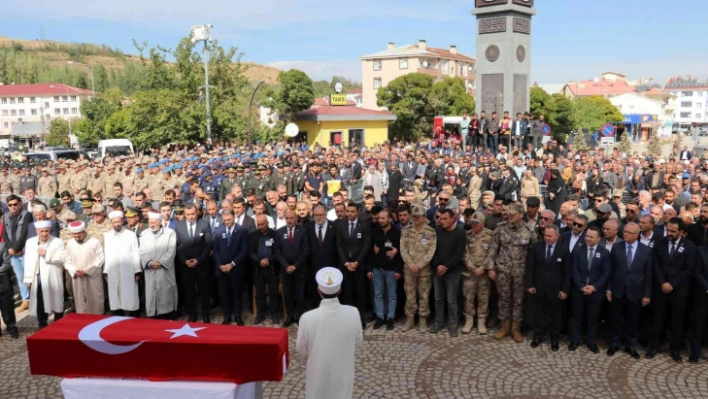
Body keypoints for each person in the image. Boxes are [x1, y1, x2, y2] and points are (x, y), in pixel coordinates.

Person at [296, 267, 362, 399]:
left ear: (319, 290)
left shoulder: (308, 318)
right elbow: (357, 343)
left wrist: (313, 361)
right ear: (340, 290)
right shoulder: (353, 313)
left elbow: (301, 349)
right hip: (343, 371)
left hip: (317, 373)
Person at [487, 203, 537, 343]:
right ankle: (504, 326)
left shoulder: (529, 231)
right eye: (509, 213)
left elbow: (533, 254)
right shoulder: (501, 229)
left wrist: (531, 273)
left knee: (518, 300)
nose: (510, 216)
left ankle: (515, 328)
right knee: (503, 299)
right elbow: (493, 249)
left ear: (521, 215)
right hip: (503, 270)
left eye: (513, 214)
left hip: (520, 272)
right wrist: (490, 268)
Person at [646, 218, 695, 363]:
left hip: (678, 291)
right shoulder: (659, 243)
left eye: (673, 231)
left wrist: (672, 284)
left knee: (677, 322)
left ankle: (675, 349)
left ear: (681, 232)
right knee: (657, 319)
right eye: (668, 230)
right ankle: (653, 346)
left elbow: (688, 269)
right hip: (661, 289)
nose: (669, 233)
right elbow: (655, 264)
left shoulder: (689, 246)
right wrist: (662, 283)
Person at [607, 223, 652, 359]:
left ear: (636, 235)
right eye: (624, 231)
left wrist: (647, 294)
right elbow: (611, 270)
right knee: (616, 318)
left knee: (633, 320)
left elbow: (648, 274)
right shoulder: (616, 247)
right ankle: (614, 343)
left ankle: (630, 345)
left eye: (629, 232)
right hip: (618, 289)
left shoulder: (646, 250)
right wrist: (608, 288)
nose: (625, 234)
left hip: (636, 291)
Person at [526, 225, 571, 351]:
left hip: (556, 289)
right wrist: (529, 284)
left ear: (557, 236)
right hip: (539, 287)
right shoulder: (537, 247)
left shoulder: (563, 249)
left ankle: (554, 338)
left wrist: (564, 289)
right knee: (539, 313)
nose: (547, 238)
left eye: (550, 236)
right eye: (546, 235)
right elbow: (530, 268)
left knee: (556, 315)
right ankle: (538, 336)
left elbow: (567, 272)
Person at [569, 226, 610, 353]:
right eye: (587, 236)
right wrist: (581, 286)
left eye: (591, 237)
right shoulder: (578, 250)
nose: (588, 238)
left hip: (595, 293)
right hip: (579, 291)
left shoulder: (604, 253)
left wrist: (594, 287)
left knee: (593, 318)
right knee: (577, 317)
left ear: (598, 239)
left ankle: (591, 342)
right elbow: (574, 270)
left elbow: (606, 273)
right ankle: (575, 340)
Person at [399, 202, 437, 333]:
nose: (416, 219)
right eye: (414, 216)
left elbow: (431, 251)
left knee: (424, 296)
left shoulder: (430, 232)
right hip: (409, 270)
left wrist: (419, 265)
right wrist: (411, 264)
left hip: (424, 271)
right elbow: (403, 250)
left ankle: (422, 320)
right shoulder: (406, 231)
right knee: (409, 295)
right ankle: (410, 319)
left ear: (424, 216)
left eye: (419, 216)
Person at [429, 208, 467, 337]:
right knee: (438, 298)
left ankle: (453, 324)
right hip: (437, 271)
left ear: (453, 219)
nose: (442, 221)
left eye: (445, 219)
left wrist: (445, 267)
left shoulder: (460, 233)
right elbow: (432, 251)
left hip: (452, 272)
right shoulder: (437, 233)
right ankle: (438, 322)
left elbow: (458, 254)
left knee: (451, 300)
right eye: (440, 218)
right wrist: (438, 265)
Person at [23, 220, 66, 329]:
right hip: (37, 276)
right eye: (42, 231)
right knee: (40, 301)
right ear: (37, 231)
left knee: (57, 299)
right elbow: (27, 260)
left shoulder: (58, 242)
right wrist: (28, 278)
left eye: (46, 231)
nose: (44, 234)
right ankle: (42, 324)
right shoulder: (30, 242)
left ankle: (58, 323)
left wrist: (47, 254)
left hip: (53, 275)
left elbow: (63, 257)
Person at [174, 204, 214, 323]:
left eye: (192, 214)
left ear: (196, 213)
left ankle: (206, 313)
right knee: (189, 290)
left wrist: (199, 259)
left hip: (201, 263)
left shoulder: (204, 224)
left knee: (204, 290)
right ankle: (192, 314)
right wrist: (184, 260)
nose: (191, 217)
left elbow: (208, 244)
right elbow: (176, 246)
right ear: (185, 214)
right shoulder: (179, 226)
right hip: (186, 264)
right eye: (188, 215)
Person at [336, 202, 371, 329]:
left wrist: (356, 263)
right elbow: (339, 245)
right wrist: (346, 263)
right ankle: (348, 320)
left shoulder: (364, 225)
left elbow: (366, 246)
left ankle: (361, 319)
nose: (349, 214)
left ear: (357, 212)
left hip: (359, 266)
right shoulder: (341, 225)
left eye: (352, 211)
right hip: (345, 267)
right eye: (348, 211)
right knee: (348, 294)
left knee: (360, 294)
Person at [213, 209, 250, 325]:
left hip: (236, 269)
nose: (227, 222)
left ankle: (237, 315)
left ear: (234, 217)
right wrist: (220, 265)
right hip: (222, 269)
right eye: (224, 220)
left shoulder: (242, 230)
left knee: (237, 293)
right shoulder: (218, 231)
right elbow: (215, 250)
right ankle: (227, 315)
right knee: (224, 294)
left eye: (229, 220)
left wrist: (232, 264)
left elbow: (244, 250)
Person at [367, 209, 401, 330]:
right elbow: (370, 251)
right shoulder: (375, 232)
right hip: (377, 269)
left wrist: (398, 270)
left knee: (391, 295)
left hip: (391, 269)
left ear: (390, 219)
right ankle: (380, 317)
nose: (380, 220)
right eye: (379, 218)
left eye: (383, 218)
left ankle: (390, 318)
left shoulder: (397, 232)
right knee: (378, 295)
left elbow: (401, 253)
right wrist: (369, 268)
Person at [139, 212, 178, 319]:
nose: (151, 225)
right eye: (150, 222)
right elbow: (142, 251)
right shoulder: (144, 234)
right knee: (151, 293)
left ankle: (167, 315)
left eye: (154, 222)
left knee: (165, 293)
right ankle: (152, 317)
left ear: (160, 222)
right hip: (150, 269)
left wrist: (161, 263)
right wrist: (149, 263)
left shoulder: (170, 233)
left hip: (165, 270)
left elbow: (171, 251)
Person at [275, 210, 310, 327]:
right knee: (287, 293)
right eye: (287, 218)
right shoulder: (279, 232)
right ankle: (289, 316)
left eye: (291, 218)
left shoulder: (303, 231)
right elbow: (277, 252)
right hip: (285, 270)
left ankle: (299, 315)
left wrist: (295, 265)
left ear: (295, 218)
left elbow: (306, 251)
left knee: (300, 294)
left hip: (299, 269)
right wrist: (286, 266)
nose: (289, 220)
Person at [103, 211, 141, 316]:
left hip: (128, 270)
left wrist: (137, 271)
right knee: (115, 295)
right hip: (113, 271)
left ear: (122, 221)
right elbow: (107, 254)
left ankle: (133, 319)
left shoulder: (131, 235)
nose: (117, 224)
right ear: (111, 222)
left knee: (130, 295)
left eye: (119, 221)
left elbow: (135, 253)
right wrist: (106, 271)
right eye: (114, 222)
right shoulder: (107, 236)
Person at [461, 212, 493, 335]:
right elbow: (464, 253)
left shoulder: (490, 235)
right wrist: (473, 268)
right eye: (472, 223)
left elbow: (491, 253)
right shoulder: (467, 235)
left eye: (476, 223)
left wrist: (483, 268)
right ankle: (468, 321)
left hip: (483, 274)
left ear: (483, 223)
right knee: (468, 298)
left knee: (483, 298)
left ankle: (481, 321)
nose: (473, 225)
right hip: (469, 272)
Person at [65, 221, 106, 315]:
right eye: (74, 236)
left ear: (83, 231)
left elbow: (100, 259)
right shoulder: (70, 243)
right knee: (80, 300)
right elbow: (67, 260)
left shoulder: (94, 242)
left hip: (93, 277)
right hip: (77, 277)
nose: (77, 238)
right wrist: (75, 271)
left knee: (95, 300)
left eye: (79, 236)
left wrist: (87, 271)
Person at [2, 194, 31, 312]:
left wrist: (16, 248)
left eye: (15, 204)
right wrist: (10, 248)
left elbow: (24, 233)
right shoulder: (6, 216)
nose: (13, 207)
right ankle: (26, 300)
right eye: (10, 205)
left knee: (30, 277)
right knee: (20, 278)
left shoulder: (27, 215)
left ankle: (36, 300)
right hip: (12, 253)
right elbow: (4, 233)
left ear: (19, 204)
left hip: (24, 251)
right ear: (7, 206)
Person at [250, 214, 280, 325]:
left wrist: (269, 260)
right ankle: (260, 314)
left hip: (272, 268)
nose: (260, 226)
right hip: (258, 268)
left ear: (267, 223)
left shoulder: (275, 234)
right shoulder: (253, 235)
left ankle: (274, 314)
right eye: (258, 224)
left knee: (273, 292)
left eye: (262, 224)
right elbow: (251, 252)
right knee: (260, 293)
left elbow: (278, 251)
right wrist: (259, 261)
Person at [307, 205, 338, 309]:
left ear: (326, 214)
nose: (318, 217)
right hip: (314, 265)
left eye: (321, 215)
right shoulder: (309, 227)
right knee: (315, 292)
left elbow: (337, 246)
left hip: (330, 265)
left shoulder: (334, 226)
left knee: (330, 293)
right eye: (316, 215)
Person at [0, 238, 18, 338]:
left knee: (7, 308)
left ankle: (12, 328)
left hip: (3, 283)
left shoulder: (2, 246)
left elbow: (6, 264)